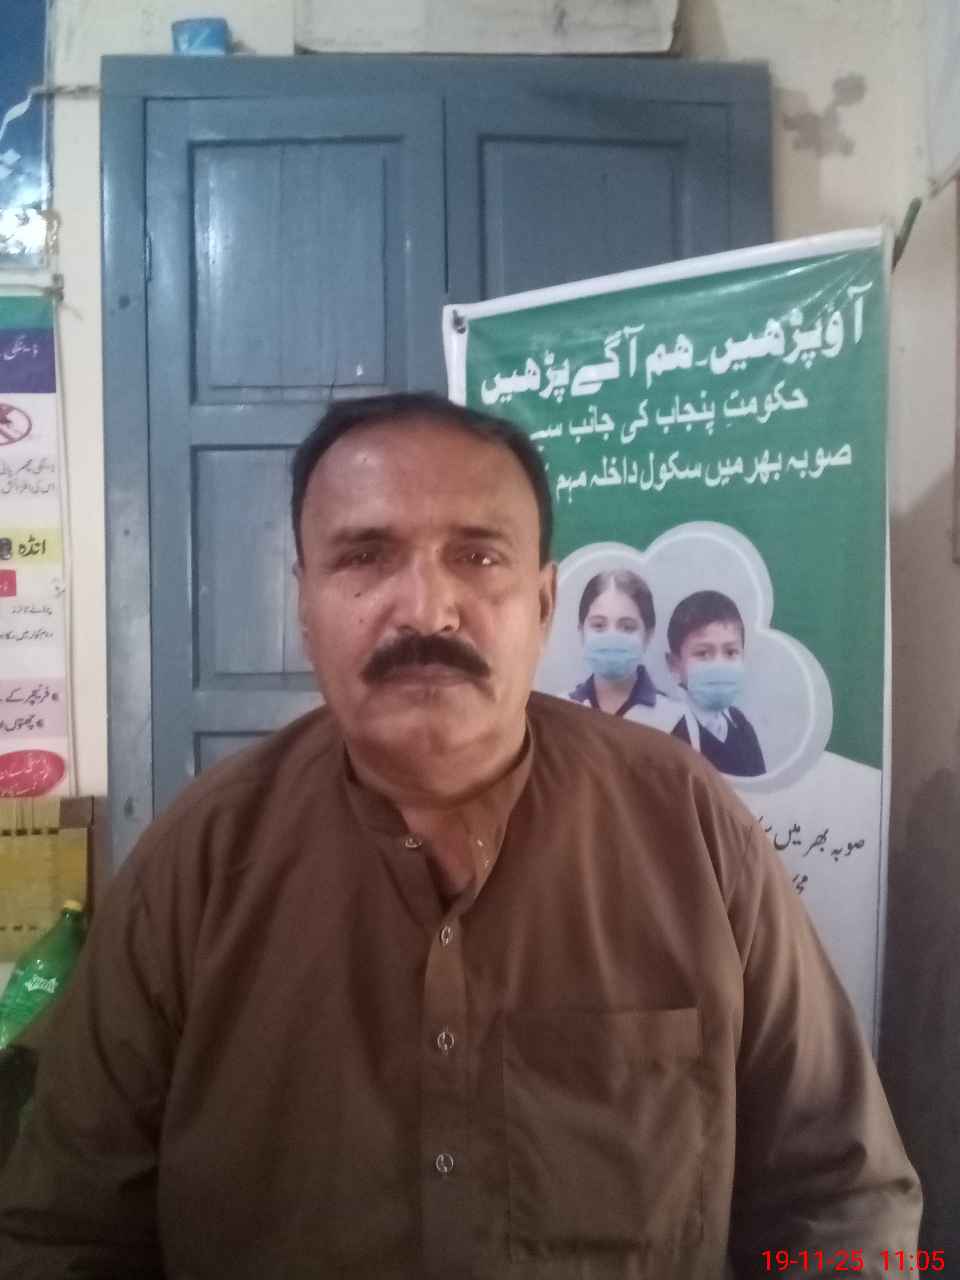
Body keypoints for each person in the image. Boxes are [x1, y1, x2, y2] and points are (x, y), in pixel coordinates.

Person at [0, 392, 920, 1277]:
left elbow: (843, 1198)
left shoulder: (689, 826)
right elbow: (62, 1228)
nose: (428, 610)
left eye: (479, 557)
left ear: (545, 604)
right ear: (305, 607)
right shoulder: (197, 865)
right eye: (365, 556)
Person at [667, 589, 767, 778]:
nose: (719, 664)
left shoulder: (741, 725)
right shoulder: (666, 730)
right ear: (674, 664)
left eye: (730, 652)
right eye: (703, 653)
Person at [568, 568, 679, 730]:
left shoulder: (674, 718)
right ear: (581, 631)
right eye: (599, 625)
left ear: (648, 635)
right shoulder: (562, 710)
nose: (611, 636)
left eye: (627, 627)